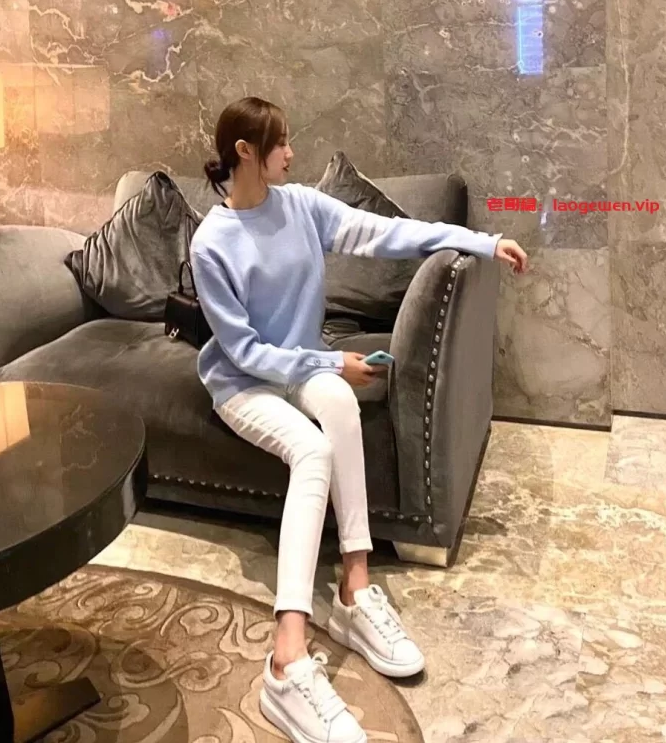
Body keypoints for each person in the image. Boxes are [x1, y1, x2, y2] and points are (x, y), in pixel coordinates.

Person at [190, 97, 528, 743]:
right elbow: (245, 352)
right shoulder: (212, 243)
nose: (291, 154)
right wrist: (330, 361)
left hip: (298, 366)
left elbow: (389, 234)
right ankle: (286, 661)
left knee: (341, 403)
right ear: (245, 152)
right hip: (243, 382)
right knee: (312, 451)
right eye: (280, 143)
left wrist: (482, 242)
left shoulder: (301, 207)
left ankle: (354, 589)